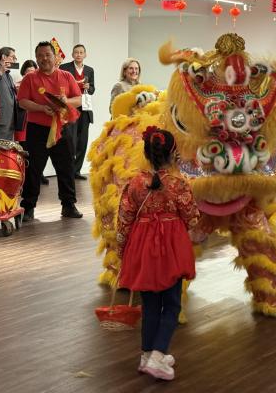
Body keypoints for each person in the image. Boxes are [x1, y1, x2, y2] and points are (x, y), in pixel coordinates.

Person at [116, 127, 198, 381]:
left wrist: (122, 251)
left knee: (150, 305)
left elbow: (124, 220)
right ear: (173, 155)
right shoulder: (178, 185)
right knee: (172, 304)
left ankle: (146, 355)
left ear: (147, 153)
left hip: (143, 247)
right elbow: (193, 217)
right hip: (171, 248)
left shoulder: (135, 183)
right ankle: (158, 355)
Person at [17, 41, 83, 221]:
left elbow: (78, 99)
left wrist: (65, 101)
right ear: (36, 58)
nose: (44, 58)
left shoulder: (67, 76)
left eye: (47, 54)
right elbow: (22, 101)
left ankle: (68, 205)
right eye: (40, 55)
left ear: (55, 57)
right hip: (37, 130)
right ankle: (28, 207)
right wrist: (40, 108)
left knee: (66, 167)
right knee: (33, 169)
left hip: (63, 127)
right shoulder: (30, 78)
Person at [60, 44, 95, 180]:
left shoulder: (90, 70)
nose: (79, 54)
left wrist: (89, 87)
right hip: (70, 106)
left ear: (85, 55)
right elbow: (60, 87)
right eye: (76, 52)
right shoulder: (65, 68)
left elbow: (92, 89)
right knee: (70, 139)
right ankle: (68, 169)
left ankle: (76, 170)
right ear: (72, 54)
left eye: (81, 52)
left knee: (82, 140)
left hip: (85, 108)